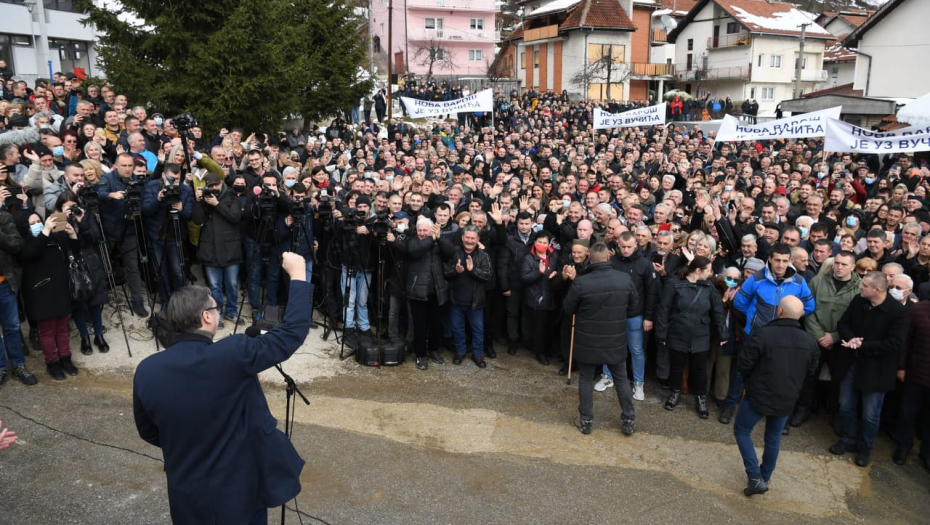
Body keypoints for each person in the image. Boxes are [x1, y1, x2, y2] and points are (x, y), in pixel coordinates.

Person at [133, 252, 311, 525]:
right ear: (206, 316)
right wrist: (298, 274)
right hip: (238, 491)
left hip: (186, 493)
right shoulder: (232, 353)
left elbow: (149, 432)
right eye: (216, 309)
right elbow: (292, 333)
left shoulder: (146, 370)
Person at [718, 244, 815, 424]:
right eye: (777, 260)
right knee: (742, 371)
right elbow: (739, 302)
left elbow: (809, 306)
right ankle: (730, 405)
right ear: (769, 259)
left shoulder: (799, 282)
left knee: (780, 375)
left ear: (791, 261)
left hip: (784, 338)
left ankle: (778, 416)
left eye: (785, 261)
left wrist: (792, 315)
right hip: (755, 334)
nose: (780, 264)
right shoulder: (756, 278)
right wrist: (754, 319)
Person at [734, 296, 819, 497]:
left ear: (780, 311)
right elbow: (811, 371)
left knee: (742, 431)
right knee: (773, 437)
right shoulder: (810, 341)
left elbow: (744, 364)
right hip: (787, 396)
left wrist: (750, 383)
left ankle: (755, 477)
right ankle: (764, 476)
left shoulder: (763, 334)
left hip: (758, 395)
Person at [831, 271, 909, 467]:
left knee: (870, 413)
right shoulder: (859, 301)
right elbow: (843, 324)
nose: (860, 287)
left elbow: (894, 343)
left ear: (878, 290)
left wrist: (862, 345)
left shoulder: (898, 312)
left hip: (877, 369)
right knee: (846, 405)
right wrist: (851, 339)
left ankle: (865, 447)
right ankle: (848, 439)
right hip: (852, 362)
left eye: (864, 285)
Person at [563, 242, 638, 436]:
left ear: (589, 257)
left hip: (588, 340)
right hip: (615, 339)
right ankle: (629, 418)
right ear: (608, 257)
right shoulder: (625, 279)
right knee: (621, 380)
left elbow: (568, 308)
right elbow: (633, 309)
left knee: (586, 379)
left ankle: (586, 419)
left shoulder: (581, 282)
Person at [794, 251, 860, 428]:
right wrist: (820, 335)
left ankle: (834, 414)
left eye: (844, 264)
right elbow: (808, 309)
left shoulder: (859, 287)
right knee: (809, 376)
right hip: (816, 338)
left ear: (853, 267)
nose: (839, 267)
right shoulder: (818, 281)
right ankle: (803, 409)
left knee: (838, 380)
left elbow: (858, 318)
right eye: (837, 263)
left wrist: (835, 337)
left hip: (842, 342)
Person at [657, 256, 726, 419]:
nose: (711, 273)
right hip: (677, 332)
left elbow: (717, 310)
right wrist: (662, 333)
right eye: (709, 270)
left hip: (700, 334)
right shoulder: (674, 283)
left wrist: (723, 332)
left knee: (700, 369)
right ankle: (675, 392)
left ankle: (701, 398)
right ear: (698, 271)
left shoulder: (709, 286)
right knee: (676, 366)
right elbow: (664, 310)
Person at [18, 211, 81, 380]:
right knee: (47, 331)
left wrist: (72, 233)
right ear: (26, 227)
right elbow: (31, 253)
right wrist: (45, 231)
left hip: (59, 289)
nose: (38, 224)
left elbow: (75, 250)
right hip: (40, 293)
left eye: (39, 220)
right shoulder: (24, 243)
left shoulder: (55, 239)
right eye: (33, 223)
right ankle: (52, 363)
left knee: (62, 328)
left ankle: (66, 359)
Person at [442, 225, 492, 368]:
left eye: (473, 238)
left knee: (478, 329)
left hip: (476, 302)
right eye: (467, 237)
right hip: (455, 299)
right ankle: (460, 352)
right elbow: (445, 273)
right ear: (462, 238)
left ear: (478, 239)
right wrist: (456, 271)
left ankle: (478, 355)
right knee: (457, 329)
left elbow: (487, 276)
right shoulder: (454, 252)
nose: (469, 240)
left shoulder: (483, 256)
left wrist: (472, 270)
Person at [893, 298, 930, 469]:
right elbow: (906, 341)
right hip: (916, 373)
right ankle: (904, 446)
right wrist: (902, 366)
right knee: (907, 413)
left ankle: (926, 453)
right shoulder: (918, 309)